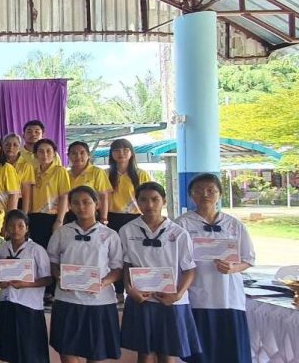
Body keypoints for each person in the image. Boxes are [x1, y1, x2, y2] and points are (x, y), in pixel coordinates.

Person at [175, 173, 254, 363]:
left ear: (220, 194)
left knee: (231, 352)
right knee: (201, 354)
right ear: (190, 195)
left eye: (211, 190)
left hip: (229, 297)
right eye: (198, 190)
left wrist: (233, 268)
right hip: (196, 297)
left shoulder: (234, 225)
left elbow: (248, 259)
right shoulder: (181, 225)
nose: (205, 194)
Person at [120, 182, 201, 362]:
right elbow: (126, 264)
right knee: (144, 353)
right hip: (141, 299)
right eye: (143, 200)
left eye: (155, 199)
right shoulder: (127, 230)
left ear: (164, 201)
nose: (149, 205)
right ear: (137, 202)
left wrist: (177, 295)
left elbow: (189, 269)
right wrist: (129, 288)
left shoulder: (179, 233)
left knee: (168, 353)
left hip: (171, 301)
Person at [47, 187, 123, 363]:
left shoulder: (110, 235)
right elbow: (52, 261)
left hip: (99, 301)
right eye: (75, 203)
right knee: (66, 350)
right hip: (67, 300)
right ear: (70, 206)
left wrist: (103, 282)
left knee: (95, 352)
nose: (81, 207)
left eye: (86, 202)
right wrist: (59, 277)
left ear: (97, 204)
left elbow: (118, 268)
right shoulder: (62, 232)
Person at [0, 209, 51, 363]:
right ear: (6, 228)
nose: (15, 230)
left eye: (20, 226)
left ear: (27, 228)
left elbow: (47, 279)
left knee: (29, 352)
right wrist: (0, 282)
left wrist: (26, 284)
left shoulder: (36, 250)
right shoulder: (2, 248)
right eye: (11, 226)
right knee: (9, 351)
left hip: (29, 306)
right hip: (7, 304)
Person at [106, 137, 152, 298]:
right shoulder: (105, 174)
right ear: (111, 154)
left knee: (135, 254)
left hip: (135, 218)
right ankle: (118, 291)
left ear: (131, 153)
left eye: (125, 150)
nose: (121, 153)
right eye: (117, 150)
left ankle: (138, 288)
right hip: (111, 218)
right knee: (115, 255)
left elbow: (149, 197)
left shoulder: (141, 174)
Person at [25, 138, 70, 251]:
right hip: (34, 216)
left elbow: (64, 196)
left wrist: (59, 220)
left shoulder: (60, 171)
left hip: (52, 217)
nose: (45, 154)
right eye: (41, 151)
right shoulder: (32, 171)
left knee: (52, 251)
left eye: (48, 151)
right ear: (35, 155)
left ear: (54, 154)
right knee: (36, 250)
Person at [64, 141, 112, 224]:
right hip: (70, 214)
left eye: (82, 153)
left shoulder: (97, 172)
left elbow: (103, 196)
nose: (78, 156)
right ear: (68, 156)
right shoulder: (65, 174)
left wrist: (104, 218)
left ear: (88, 155)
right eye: (74, 153)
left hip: (91, 214)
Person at [2, 134, 34, 213]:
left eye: (15, 145)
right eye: (7, 144)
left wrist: (24, 214)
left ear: (20, 148)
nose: (11, 147)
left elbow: (26, 194)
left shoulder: (26, 166)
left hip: (18, 202)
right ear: (2, 146)